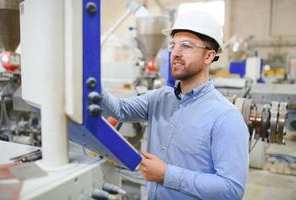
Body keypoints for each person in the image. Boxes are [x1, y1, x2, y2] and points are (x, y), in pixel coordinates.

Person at [101, 11, 249, 200]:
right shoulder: (159, 98)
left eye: (186, 46)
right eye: (173, 45)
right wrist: (88, 83)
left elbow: (231, 190)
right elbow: (120, 109)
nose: (176, 53)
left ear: (209, 56)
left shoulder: (225, 117)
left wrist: (167, 174)